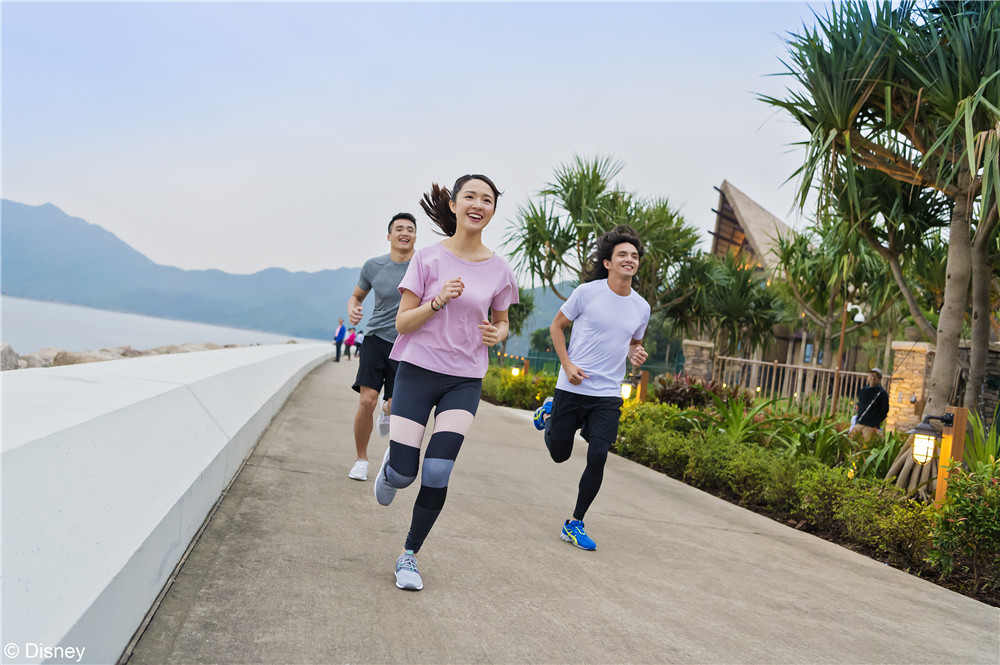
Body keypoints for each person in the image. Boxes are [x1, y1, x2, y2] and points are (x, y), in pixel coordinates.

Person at [373, 174, 518, 591]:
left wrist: (496, 334)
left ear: (492, 211)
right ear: (454, 205)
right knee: (406, 474)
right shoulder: (427, 259)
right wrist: (437, 302)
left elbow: (503, 321)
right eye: (470, 196)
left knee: (437, 470)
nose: (478, 204)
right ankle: (392, 470)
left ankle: (409, 555)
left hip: (465, 379)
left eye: (487, 199)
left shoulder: (499, 269)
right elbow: (403, 322)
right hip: (417, 371)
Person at [532, 225, 650, 552]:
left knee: (598, 455)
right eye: (622, 254)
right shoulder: (587, 293)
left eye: (634, 255)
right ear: (608, 262)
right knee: (559, 454)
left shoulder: (641, 307)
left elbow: (634, 343)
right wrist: (567, 365)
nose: (629, 259)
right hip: (573, 385)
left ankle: (575, 522)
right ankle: (549, 412)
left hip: (607, 393)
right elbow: (557, 327)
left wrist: (636, 353)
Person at [345, 213, 417, 481]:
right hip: (375, 338)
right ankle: (361, 460)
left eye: (410, 229)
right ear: (389, 236)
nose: (404, 233)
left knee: (394, 405)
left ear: (415, 237)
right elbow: (356, 296)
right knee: (367, 400)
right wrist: (353, 310)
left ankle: (387, 411)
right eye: (399, 229)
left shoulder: (423, 265)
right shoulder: (373, 266)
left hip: (406, 343)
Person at [853, 368, 889, 439]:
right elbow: (860, 403)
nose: (873, 378)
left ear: (879, 379)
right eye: (872, 375)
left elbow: (885, 410)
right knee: (851, 440)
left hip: (871, 425)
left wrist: (877, 421)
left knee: (865, 443)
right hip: (860, 422)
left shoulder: (882, 393)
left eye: (876, 376)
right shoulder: (863, 390)